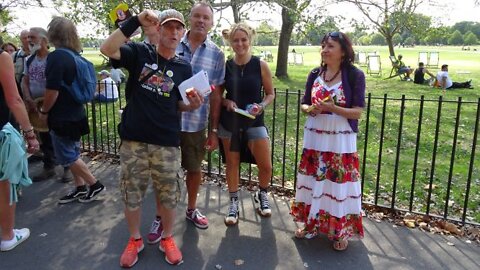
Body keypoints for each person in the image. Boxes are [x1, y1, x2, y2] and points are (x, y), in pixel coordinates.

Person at [100, 9, 203, 267]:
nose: (174, 32)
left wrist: (191, 106)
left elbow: (177, 104)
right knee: (131, 193)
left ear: (182, 33)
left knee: (169, 195)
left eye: (179, 28)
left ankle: (168, 238)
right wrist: (135, 21)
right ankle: (134, 239)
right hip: (134, 140)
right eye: (169, 27)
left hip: (167, 142)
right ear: (158, 29)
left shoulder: (183, 66)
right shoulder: (139, 53)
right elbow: (106, 48)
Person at [145, 1, 225, 242]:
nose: (201, 21)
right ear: (190, 19)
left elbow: (217, 95)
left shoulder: (217, 54)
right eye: (197, 16)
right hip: (165, 122)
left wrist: (213, 130)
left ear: (211, 23)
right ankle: (160, 217)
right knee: (163, 173)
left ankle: (191, 209)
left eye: (206, 18)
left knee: (193, 169)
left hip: (196, 124)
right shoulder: (169, 41)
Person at [290, 31, 365, 251]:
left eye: (330, 46)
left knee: (337, 183)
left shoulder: (354, 75)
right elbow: (304, 104)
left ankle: (339, 230)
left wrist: (332, 108)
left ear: (343, 51)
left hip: (340, 141)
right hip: (315, 136)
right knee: (312, 180)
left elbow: (358, 112)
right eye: (323, 46)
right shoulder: (315, 73)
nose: (325, 50)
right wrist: (310, 109)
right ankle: (309, 224)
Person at [40, 17, 105, 204]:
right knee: (74, 151)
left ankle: (94, 184)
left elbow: (52, 90)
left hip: (61, 116)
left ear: (53, 34)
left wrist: (44, 112)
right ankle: (79, 187)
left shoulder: (57, 57)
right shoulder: (76, 56)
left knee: (66, 155)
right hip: (77, 113)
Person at [218, 22, 275, 226]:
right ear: (230, 42)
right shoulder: (227, 65)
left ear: (250, 40)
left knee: (266, 166)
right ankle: (233, 203)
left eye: (244, 40)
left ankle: (261, 194)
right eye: (236, 40)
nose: (240, 44)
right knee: (232, 164)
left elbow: (270, 94)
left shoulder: (260, 65)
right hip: (231, 122)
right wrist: (227, 101)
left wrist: (261, 105)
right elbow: (219, 96)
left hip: (254, 121)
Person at [0, 42, 40, 252]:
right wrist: (30, 133)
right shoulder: (2, 57)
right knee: (4, 184)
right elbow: (14, 99)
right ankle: (7, 235)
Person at [21, 27, 73, 183]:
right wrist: (28, 98)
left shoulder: (53, 58)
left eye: (32, 37)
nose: (29, 40)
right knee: (44, 136)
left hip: (55, 104)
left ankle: (68, 168)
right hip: (36, 105)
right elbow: (25, 80)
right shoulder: (28, 59)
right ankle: (49, 166)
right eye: (28, 37)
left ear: (44, 39)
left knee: (61, 136)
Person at [12, 30, 31, 97]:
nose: (27, 40)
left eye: (29, 37)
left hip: (33, 94)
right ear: (20, 40)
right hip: (19, 93)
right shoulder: (14, 56)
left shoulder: (37, 55)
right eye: (24, 38)